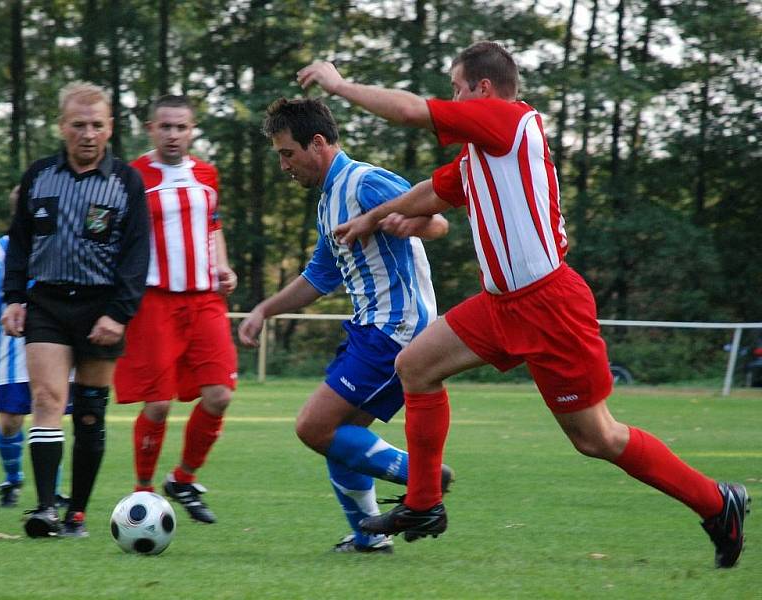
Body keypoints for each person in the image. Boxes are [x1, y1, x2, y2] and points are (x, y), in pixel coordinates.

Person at [299, 41, 750, 568]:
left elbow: (408, 111)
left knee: (596, 437)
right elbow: (433, 192)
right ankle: (424, 504)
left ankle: (718, 503)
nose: (451, 98)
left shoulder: (504, 121)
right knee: (414, 366)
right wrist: (373, 219)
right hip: (500, 305)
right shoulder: (482, 152)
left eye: (456, 88)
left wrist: (338, 85)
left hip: (550, 305)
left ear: (482, 90)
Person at [238, 97, 452, 553]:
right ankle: (368, 539)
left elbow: (436, 222)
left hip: (393, 330)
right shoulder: (328, 203)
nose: (283, 165)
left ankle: (424, 480)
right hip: (369, 329)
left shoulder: (364, 182)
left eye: (287, 153)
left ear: (317, 143)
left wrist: (406, 225)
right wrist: (264, 310)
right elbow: (319, 275)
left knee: (314, 427)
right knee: (337, 438)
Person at [2, 81, 150, 538]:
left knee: (89, 413)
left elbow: (136, 255)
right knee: (47, 399)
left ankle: (76, 515)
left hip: (101, 308)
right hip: (47, 302)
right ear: (62, 127)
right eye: (79, 124)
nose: (88, 133)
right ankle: (46, 508)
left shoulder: (126, 182)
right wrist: (13, 298)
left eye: (97, 125)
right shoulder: (38, 176)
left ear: (109, 129)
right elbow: (20, 243)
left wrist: (119, 313)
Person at [112, 94, 239, 524]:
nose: (173, 134)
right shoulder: (131, 176)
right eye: (165, 126)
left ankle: (183, 478)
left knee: (220, 394)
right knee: (159, 404)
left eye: (181, 127)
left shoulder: (206, 173)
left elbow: (214, 225)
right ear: (150, 128)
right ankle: (142, 493)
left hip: (204, 299)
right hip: (154, 299)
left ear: (192, 130)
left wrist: (223, 265)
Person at [0, 187, 70, 509]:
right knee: (11, 419)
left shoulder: (62, 248)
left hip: (55, 347)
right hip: (13, 353)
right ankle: (12, 478)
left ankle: (50, 492)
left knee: (49, 414)